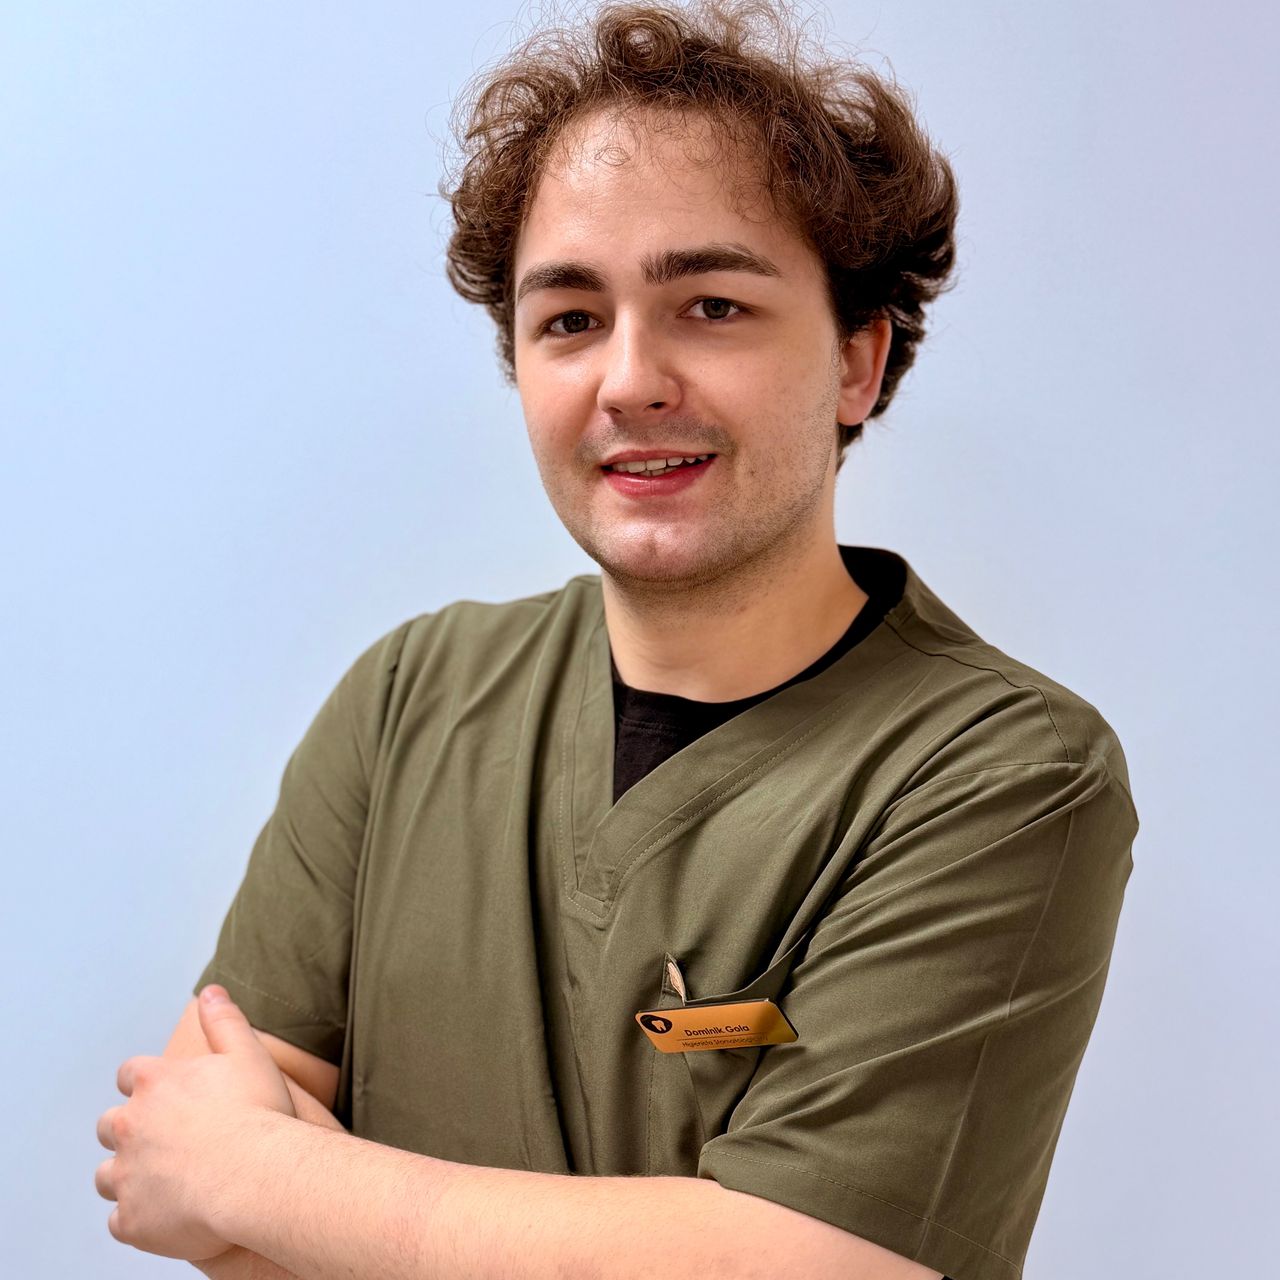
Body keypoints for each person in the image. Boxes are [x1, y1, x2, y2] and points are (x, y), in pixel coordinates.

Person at [94, 3, 1139, 1278]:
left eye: (710, 304)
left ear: (856, 363)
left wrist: (275, 1175)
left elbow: (810, 1264)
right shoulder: (408, 699)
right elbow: (176, 1176)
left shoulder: (999, 773)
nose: (628, 378)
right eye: (570, 319)